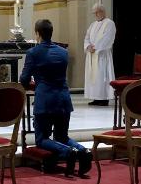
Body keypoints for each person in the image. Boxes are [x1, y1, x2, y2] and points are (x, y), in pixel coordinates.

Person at [19, 19, 92, 177]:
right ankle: (83, 150)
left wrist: (35, 81)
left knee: (42, 139)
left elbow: (24, 79)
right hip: (63, 100)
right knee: (62, 136)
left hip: (45, 100)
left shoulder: (33, 53)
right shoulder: (63, 52)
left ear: (37, 34)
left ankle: (68, 152)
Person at [83, 4, 116, 106]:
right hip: (92, 55)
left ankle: (104, 98)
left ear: (102, 11)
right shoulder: (92, 25)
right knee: (93, 77)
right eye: (94, 13)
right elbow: (87, 37)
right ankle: (96, 98)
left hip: (102, 55)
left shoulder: (109, 23)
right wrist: (88, 46)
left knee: (102, 76)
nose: (95, 14)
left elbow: (108, 38)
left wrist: (96, 47)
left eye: (97, 12)